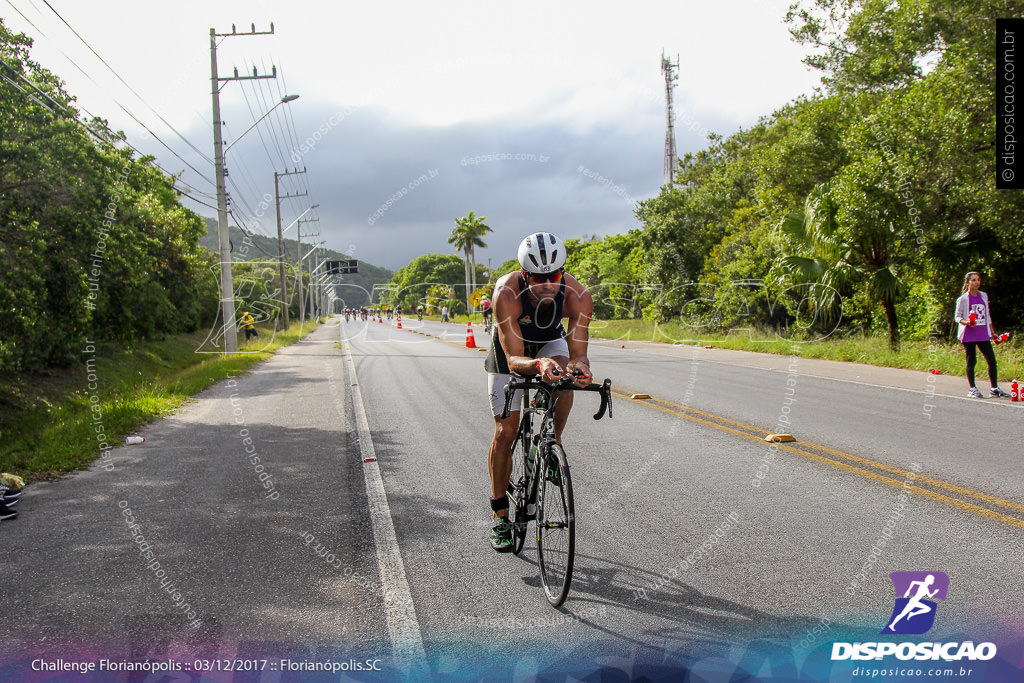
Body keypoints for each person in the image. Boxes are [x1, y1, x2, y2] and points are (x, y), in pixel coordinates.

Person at [484, 232, 593, 552]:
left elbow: (578, 353)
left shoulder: (578, 295)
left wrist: (581, 367)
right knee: (505, 431)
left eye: (554, 275)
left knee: (564, 378)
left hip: (548, 341)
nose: (546, 283)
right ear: (524, 274)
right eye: (537, 277)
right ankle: (500, 517)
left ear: (563, 272)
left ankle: (552, 441)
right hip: (510, 352)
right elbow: (516, 359)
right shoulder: (507, 292)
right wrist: (538, 364)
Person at [955, 271, 1010, 398]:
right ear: (967, 283)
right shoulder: (963, 299)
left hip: (982, 333)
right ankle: (972, 388)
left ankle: (994, 388)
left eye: (978, 280)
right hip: (969, 334)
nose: (976, 283)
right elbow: (957, 317)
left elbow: (987, 316)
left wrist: (993, 332)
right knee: (972, 361)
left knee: (992, 360)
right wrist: (967, 322)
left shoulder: (983, 296)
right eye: (973, 280)